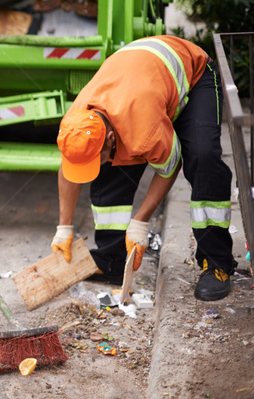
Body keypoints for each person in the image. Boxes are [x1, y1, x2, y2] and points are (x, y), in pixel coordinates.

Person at [50, 35, 235, 301]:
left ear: (111, 138)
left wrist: (140, 222)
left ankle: (216, 263)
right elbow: (70, 168)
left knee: (203, 157)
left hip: (194, 79)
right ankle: (112, 259)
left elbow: (170, 167)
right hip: (142, 79)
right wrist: (63, 228)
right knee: (108, 168)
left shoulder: (143, 130)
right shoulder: (77, 120)